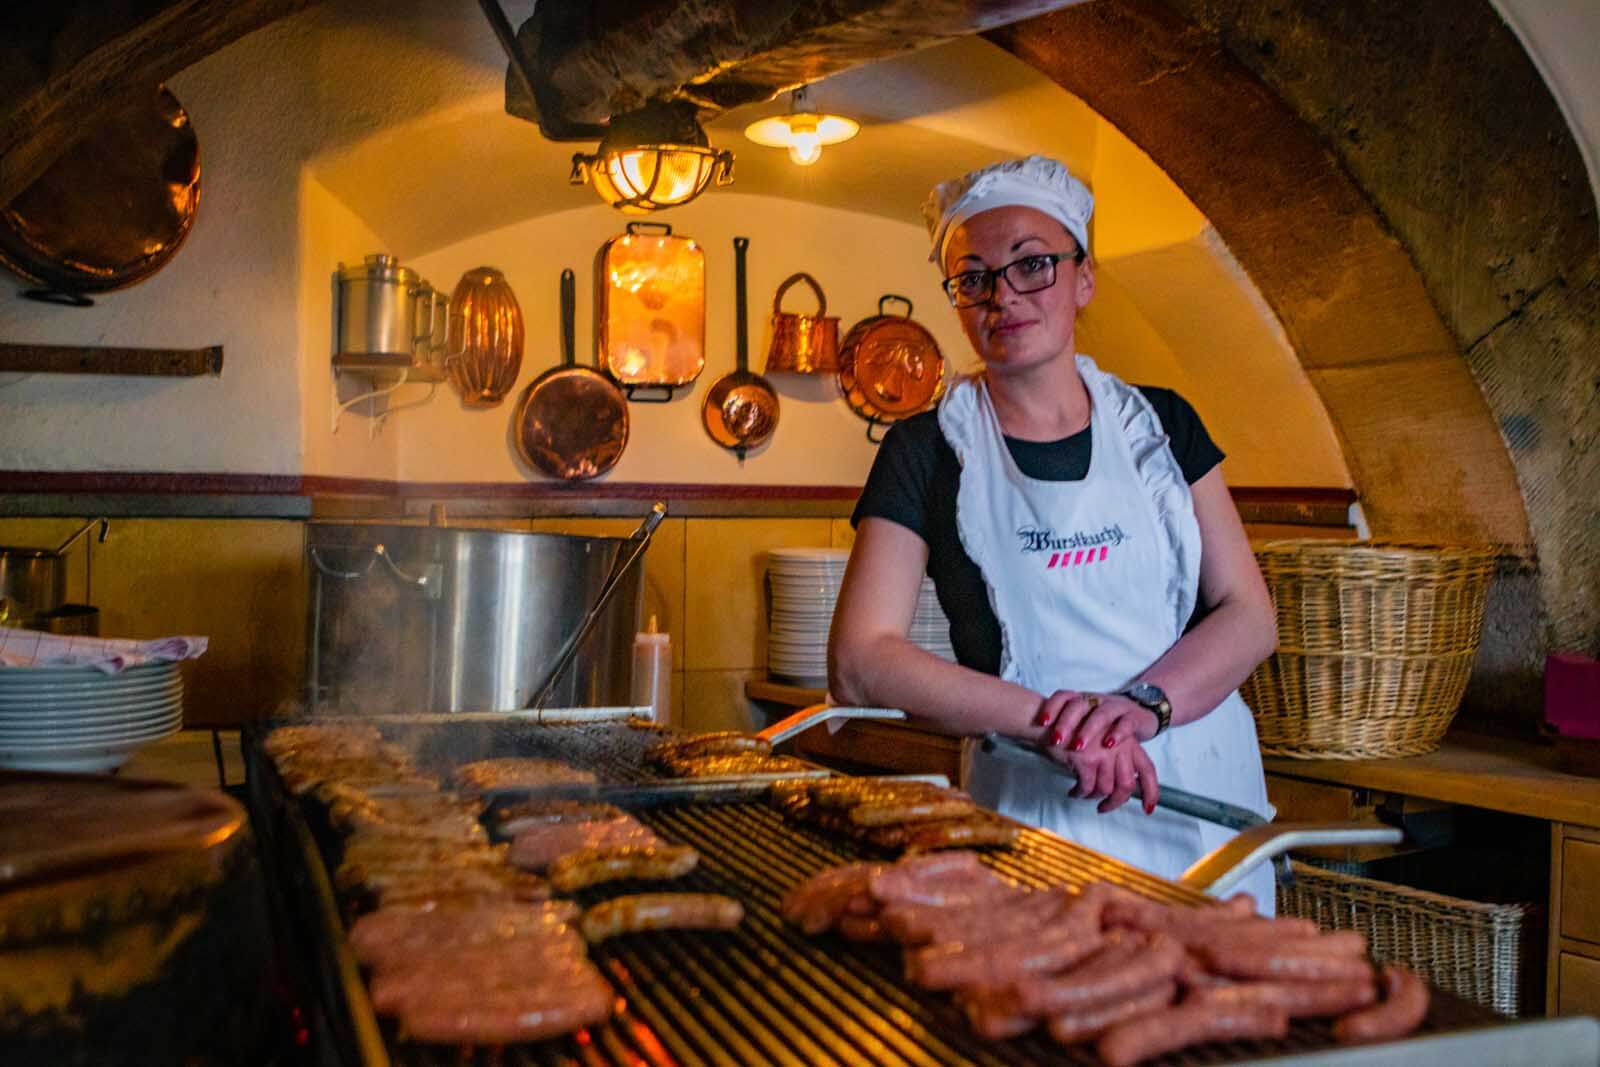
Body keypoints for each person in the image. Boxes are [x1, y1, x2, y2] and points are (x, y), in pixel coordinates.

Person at [827, 155, 1280, 911]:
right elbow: (860, 660)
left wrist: (1140, 707)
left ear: (1084, 278)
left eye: (1032, 264)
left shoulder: (1163, 424)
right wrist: (1054, 724)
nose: (1003, 295)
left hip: (1201, 802)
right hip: (1039, 813)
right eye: (974, 278)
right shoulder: (924, 449)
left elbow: (1248, 611)